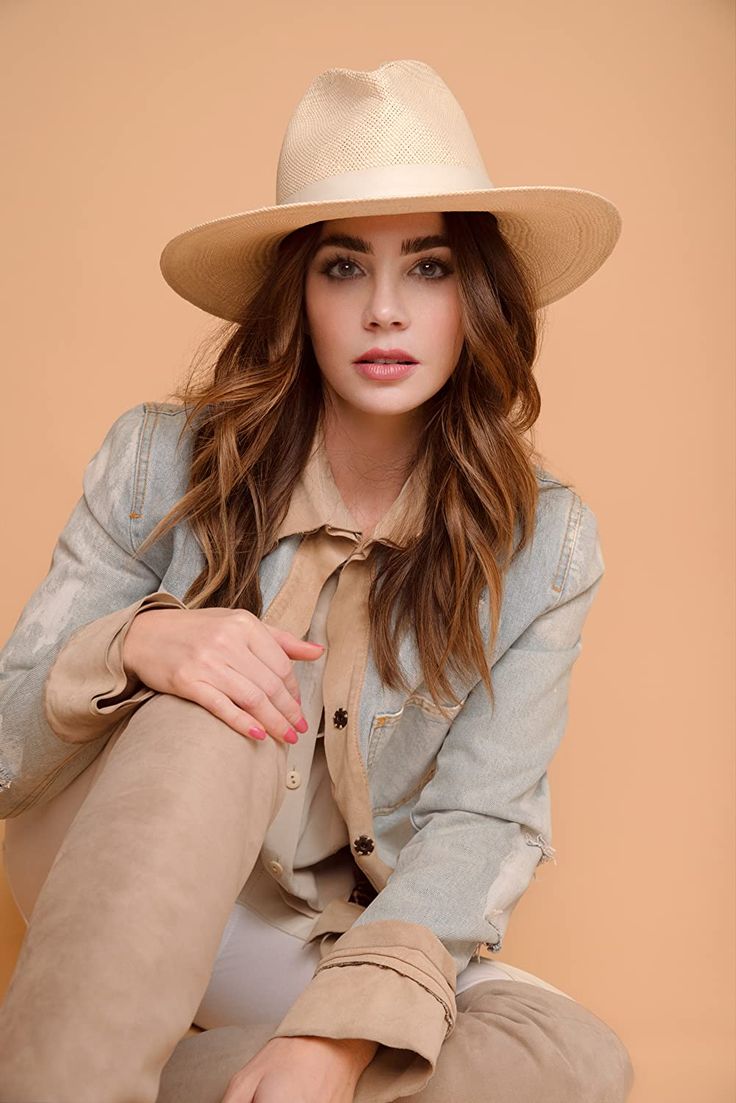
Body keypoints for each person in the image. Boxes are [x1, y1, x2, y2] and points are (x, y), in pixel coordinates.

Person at [0, 59, 635, 1103]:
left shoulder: (543, 541)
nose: (385, 310)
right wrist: (138, 644)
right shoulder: (161, 458)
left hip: (304, 929)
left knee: (566, 1057)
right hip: (115, 878)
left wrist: (336, 1043)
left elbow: (480, 819)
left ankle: (90, 1069)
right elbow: (7, 751)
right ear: (298, 289)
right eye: (345, 268)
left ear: (475, 296)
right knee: (221, 707)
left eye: (426, 269)